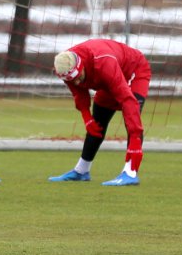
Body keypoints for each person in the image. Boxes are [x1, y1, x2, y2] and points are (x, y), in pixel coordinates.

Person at [48, 39, 151, 186]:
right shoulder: (65, 65)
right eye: (73, 80)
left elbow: (128, 100)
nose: (77, 82)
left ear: (81, 65)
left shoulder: (104, 62)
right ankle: (82, 171)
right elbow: (78, 91)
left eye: (78, 78)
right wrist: (86, 117)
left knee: (131, 115)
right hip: (109, 76)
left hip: (133, 70)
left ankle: (130, 172)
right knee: (98, 122)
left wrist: (135, 140)